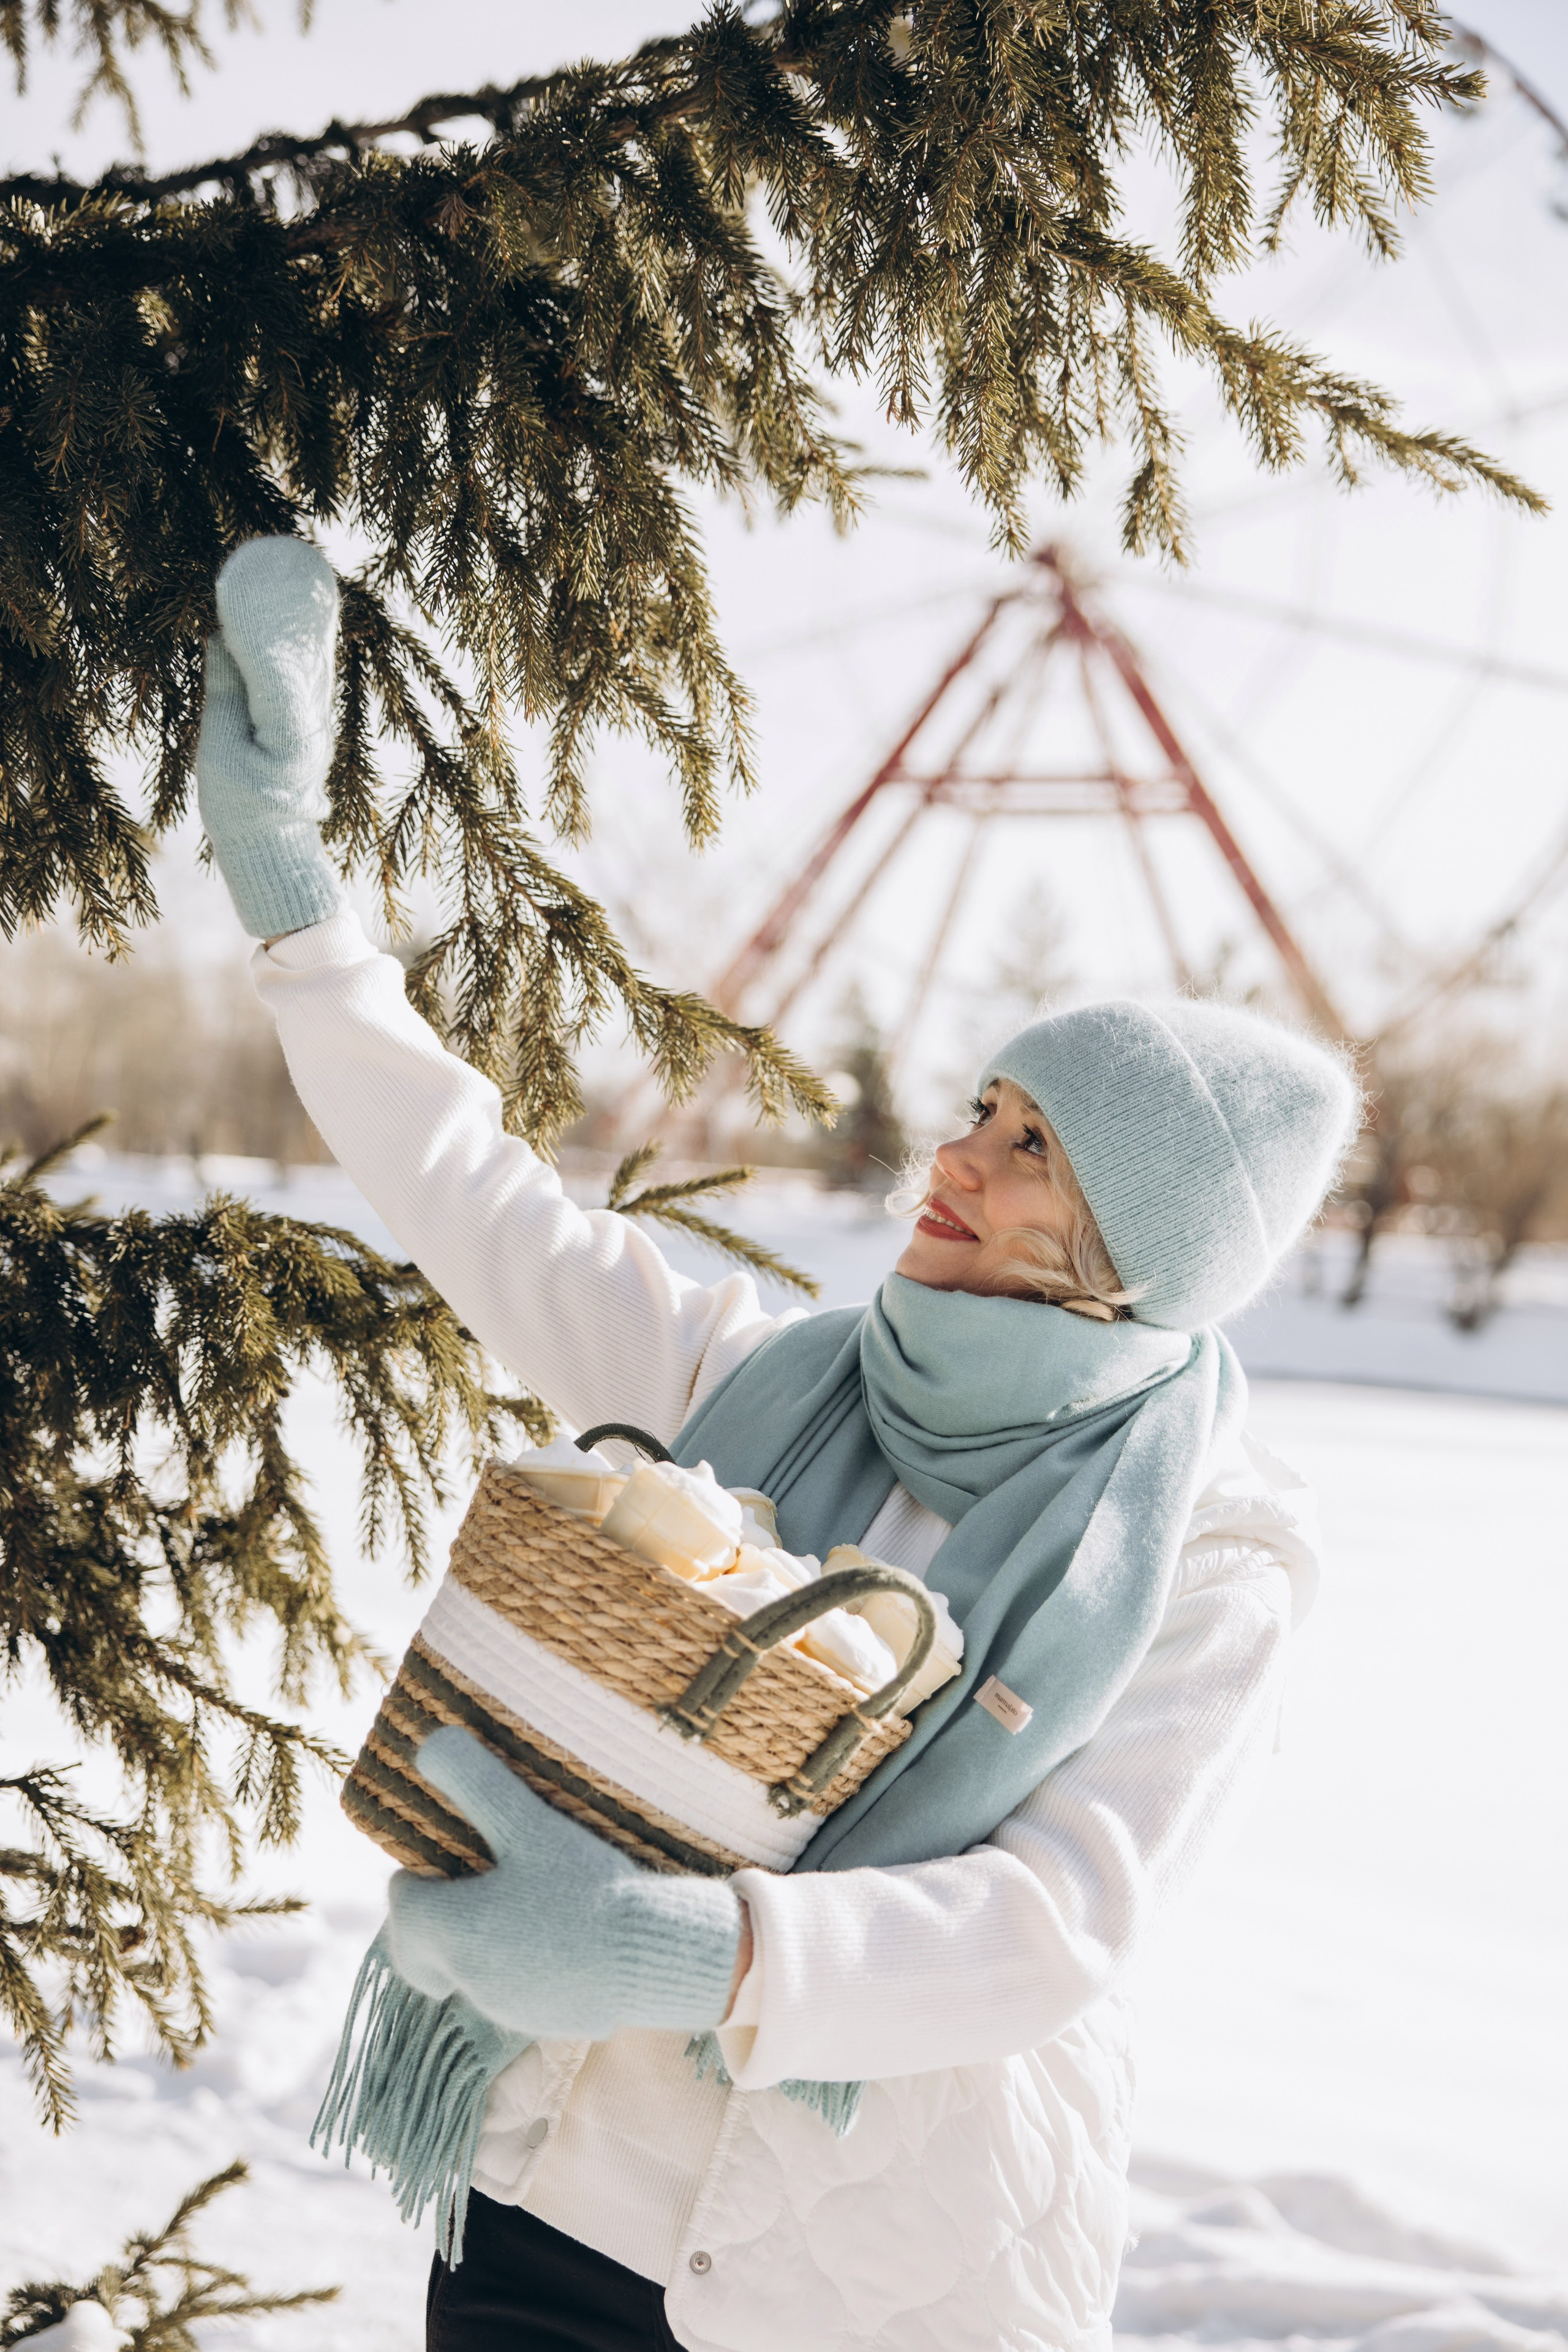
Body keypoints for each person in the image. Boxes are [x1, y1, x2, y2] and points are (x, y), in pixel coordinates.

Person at [197, 538, 1357, 2352]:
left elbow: (1052, 1928)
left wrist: (687, 1953)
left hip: (845, 2280)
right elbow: (482, 1205)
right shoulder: (772, 1378)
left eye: (1033, 1147)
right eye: (982, 1108)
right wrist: (296, 905)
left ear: (1153, 1247)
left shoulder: (1205, 1552)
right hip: (535, 2190)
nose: (953, 1158)